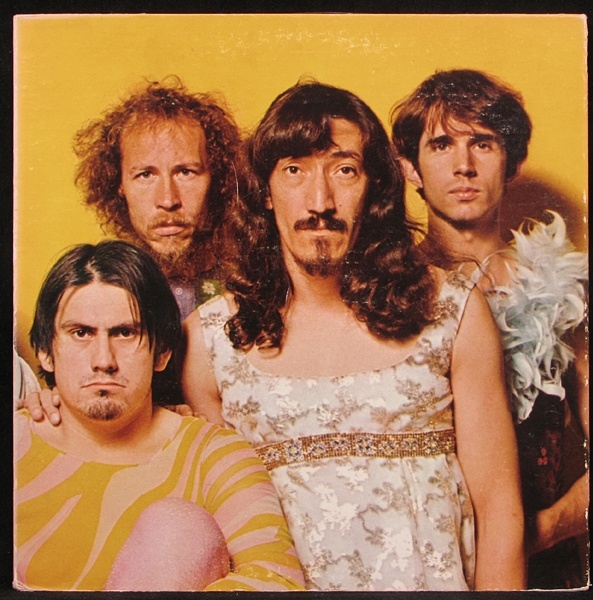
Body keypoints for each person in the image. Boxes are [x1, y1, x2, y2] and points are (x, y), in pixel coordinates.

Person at [181, 81, 525, 591]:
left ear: (376, 188)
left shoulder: (451, 311)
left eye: (344, 170)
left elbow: (500, 513)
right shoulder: (210, 341)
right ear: (265, 192)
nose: (320, 201)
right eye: (294, 170)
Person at [390, 68, 589, 589]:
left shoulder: (564, 291)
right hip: (423, 564)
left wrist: (541, 530)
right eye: (441, 145)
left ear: (513, 161)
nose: (464, 165)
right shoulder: (385, 293)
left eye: (483, 143)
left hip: (548, 564)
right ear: (409, 167)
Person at [14, 240, 305, 592]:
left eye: (125, 333)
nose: (103, 360)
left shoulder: (214, 455)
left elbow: (277, 581)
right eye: (81, 333)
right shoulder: (17, 441)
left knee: (176, 528)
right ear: (45, 351)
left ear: (162, 352)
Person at [20, 77, 241, 411]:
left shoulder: (255, 283)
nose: (168, 199)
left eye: (186, 172)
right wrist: (53, 401)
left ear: (219, 179)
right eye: (145, 175)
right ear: (118, 184)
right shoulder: (92, 284)